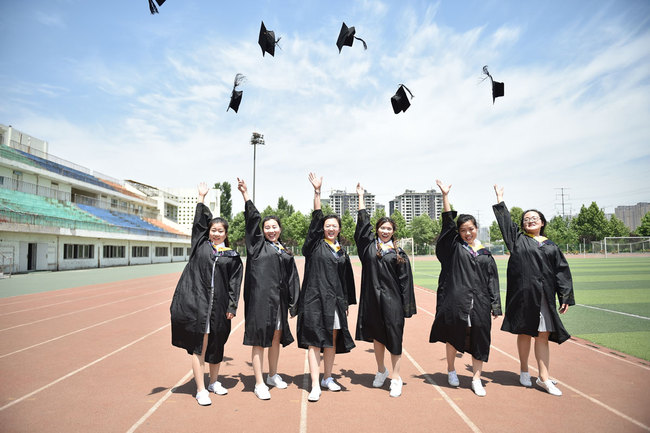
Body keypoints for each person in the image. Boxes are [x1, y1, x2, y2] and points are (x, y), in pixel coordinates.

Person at [493, 184, 575, 396]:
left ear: (542, 222)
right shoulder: (518, 240)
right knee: (525, 332)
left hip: (544, 297)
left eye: (534, 218)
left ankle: (543, 377)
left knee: (543, 334)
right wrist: (500, 200)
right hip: (524, 296)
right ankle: (523, 370)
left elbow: (561, 272)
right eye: (526, 219)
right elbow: (506, 224)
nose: (530, 220)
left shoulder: (551, 246)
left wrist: (564, 295)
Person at [170, 182, 243, 406]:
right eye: (213, 230)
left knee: (217, 344)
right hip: (199, 305)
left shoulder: (232, 256)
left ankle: (213, 382)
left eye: (221, 231)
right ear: (208, 232)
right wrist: (200, 198)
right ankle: (201, 389)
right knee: (199, 345)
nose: (217, 234)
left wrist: (232, 307)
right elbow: (198, 225)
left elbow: (235, 283)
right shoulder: (200, 246)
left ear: (226, 234)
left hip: (219, 308)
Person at [428, 180, 501, 397]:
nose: (467, 233)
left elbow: (492, 280)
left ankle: (476, 379)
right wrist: (445, 198)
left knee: (480, 339)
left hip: (479, 303)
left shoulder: (485, 254)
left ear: (476, 229)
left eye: (470, 229)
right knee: (453, 336)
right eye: (463, 230)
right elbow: (448, 228)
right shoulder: (453, 250)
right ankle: (451, 370)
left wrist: (495, 305)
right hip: (456, 301)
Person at [237, 178, 300, 400]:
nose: (271, 230)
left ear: (280, 229)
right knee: (259, 340)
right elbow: (252, 220)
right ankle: (259, 383)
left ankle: (273, 375)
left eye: (274, 227)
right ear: (262, 231)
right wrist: (246, 195)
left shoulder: (283, 249)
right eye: (267, 227)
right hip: (261, 300)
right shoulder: (257, 246)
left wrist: (294, 302)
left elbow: (292, 276)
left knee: (275, 336)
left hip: (279, 301)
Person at [298, 173, 357, 402]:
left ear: (339, 229)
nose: (330, 228)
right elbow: (315, 220)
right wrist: (317, 194)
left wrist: (345, 303)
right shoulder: (314, 246)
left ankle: (327, 377)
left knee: (331, 339)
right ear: (322, 228)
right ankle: (315, 384)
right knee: (315, 341)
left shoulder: (341, 251)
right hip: (314, 300)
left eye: (334, 226)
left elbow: (346, 280)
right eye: (327, 225)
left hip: (334, 302)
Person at [354, 182, 416, 398]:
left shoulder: (399, 254)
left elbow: (406, 282)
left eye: (389, 229)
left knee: (395, 338)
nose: (385, 231)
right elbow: (362, 226)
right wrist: (361, 198)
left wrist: (406, 307)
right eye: (382, 228)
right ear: (377, 229)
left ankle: (396, 377)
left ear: (393, 231)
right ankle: (381, 370)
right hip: (373, 300)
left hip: (393, 302)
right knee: (377, 338)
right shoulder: (369, 248)